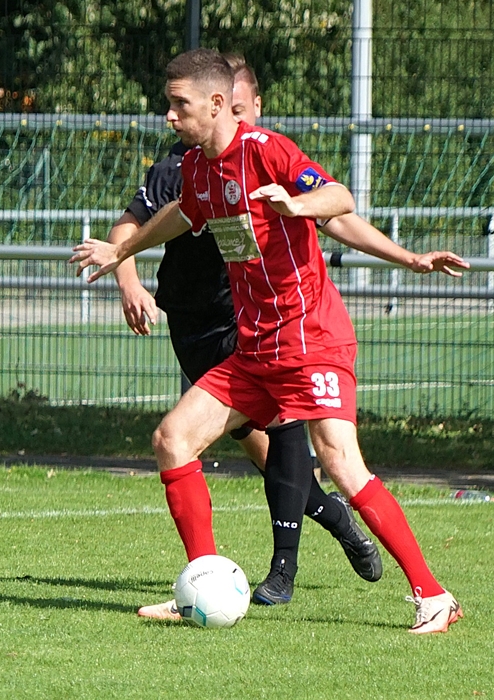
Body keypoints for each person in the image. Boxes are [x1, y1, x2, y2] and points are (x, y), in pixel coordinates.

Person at [72, 48, 468, 633]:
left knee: (340, 462)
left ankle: (433, 596)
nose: (170, 116)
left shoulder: (267, 150)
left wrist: (300, 205)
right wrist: (122, 250)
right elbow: (182, 215)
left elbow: (338, 199)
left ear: (216, 103)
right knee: (173, 439)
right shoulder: (198, 169)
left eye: (180, 104)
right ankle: (202, 582)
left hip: (310, 340)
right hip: (255, 347)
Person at [106, 54, 384, 609]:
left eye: (242, 107)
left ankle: (282, 569)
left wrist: (402, 256)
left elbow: (334, 211)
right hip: (193, 327)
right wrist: (128, 280)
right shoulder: (180, 168)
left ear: (249, 107)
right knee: (259, 451)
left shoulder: (263, 159)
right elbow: (130, 227)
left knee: (284, 431)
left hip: (248, 320)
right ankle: (334, 518)